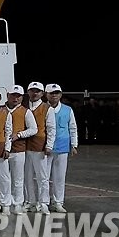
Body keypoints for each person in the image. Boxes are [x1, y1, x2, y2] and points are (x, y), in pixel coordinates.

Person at [23, 82, 56, 214]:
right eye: (32, 91)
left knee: (43, 176)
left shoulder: (47, 108)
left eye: (37, 91)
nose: (34, 93)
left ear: (42, 93)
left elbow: (51, 129)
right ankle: (30, 201)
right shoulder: (24, 107)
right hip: (25, 146)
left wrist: (49, 145)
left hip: (39, 146)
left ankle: (43, 203)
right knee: (27, 175)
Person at [6, 85, 37, 214]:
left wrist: (19, 135)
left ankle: (17, 203)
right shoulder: (1, 110)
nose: (15, 98)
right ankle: (4, 202)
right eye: (13, 95)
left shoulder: (26, 111)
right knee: (2, 179)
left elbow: (33, 129)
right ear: (8, 95)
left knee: (18, 178)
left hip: (19, 150)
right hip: (0, 150)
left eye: (18, 96)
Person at [48, 84, 76, 213]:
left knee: (59, 177)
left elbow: (72, 127)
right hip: (45, 147)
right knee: (44, 177)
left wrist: (74, 145)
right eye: (52, 93)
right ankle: (44, 201)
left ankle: (58, 202)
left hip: (62, 146)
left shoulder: (67, 110)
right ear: (46, 94)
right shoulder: (43, 108)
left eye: (57, 93)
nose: (54, 95)